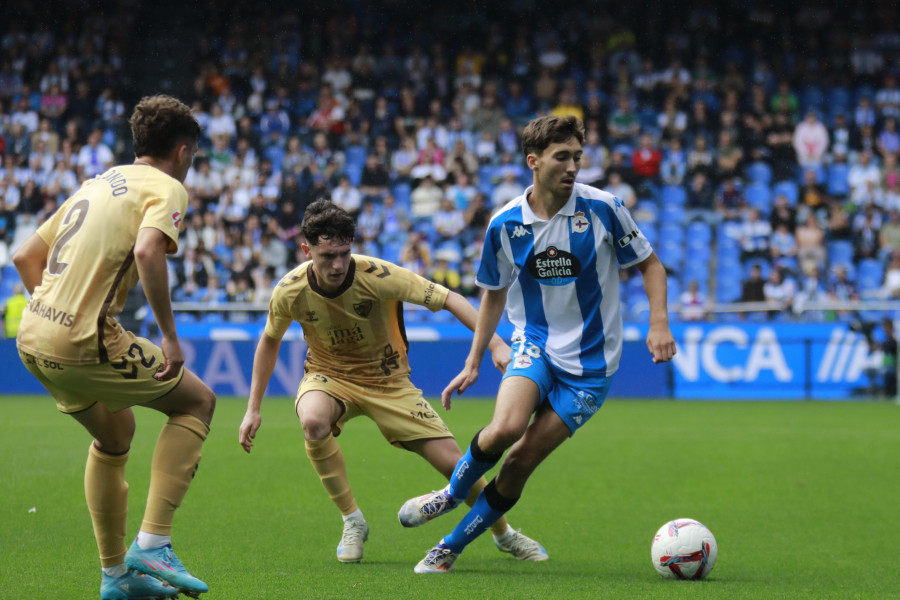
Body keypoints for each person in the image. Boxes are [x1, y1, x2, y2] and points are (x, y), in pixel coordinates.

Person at [398, 115, 676, 573]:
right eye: (561, 157)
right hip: (537, 342)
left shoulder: (603, 208)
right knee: (504, 428)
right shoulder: (505, 224)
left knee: (521, 461)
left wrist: (659, 323)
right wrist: (473, 361)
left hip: (592, 365)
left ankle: (449, 547)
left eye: (577, 158)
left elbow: (651, 266)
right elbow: (493, 294)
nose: (572, 167)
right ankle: (451, 494)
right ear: (534, 161)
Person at [238, 199, 547, 565]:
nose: (337, 265)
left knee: (456, 466)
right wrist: (253, 408)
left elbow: (450, 298)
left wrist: (495, 344)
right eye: (326, 256)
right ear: (306, 249)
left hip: (389, 383)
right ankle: (353, 521)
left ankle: (503, 533)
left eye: (344, 253)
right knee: (312, 419)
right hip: (329, 376)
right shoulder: (289, 290)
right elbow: (269, 340)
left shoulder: (379, 275)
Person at [12, 95, 214, 600]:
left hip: (32, 338)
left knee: (115, 434)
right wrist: (169, 336)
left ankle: (116, 576)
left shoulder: (99, 181)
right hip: (84, 339)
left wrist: (53, 311)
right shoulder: (167, 187)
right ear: (184, 151)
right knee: (197, 401)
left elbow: (24, 255)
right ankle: (153, 543)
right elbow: (148, 249)